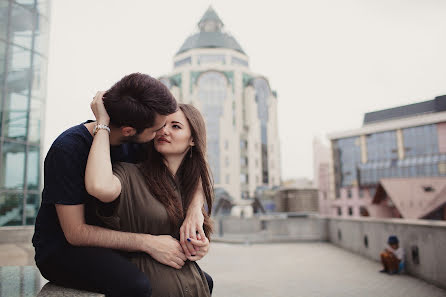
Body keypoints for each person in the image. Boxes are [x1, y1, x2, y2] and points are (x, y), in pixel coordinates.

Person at [32, 73, 213, 297]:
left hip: (115, 242)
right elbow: (76, 233)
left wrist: (195, 211)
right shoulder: (68, 149)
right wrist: (149, 243)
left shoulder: (138, 139)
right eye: (158, 128)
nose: (162, 133)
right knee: (135, 285)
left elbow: (194, 165)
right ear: (129, 130)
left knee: (200, 281)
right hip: (64, 250)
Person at [85, 99, 213, 297]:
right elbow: (99, 186)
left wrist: (197, 246)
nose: (164, 131)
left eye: (175, 126)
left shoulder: (190, 187)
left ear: (193, 139)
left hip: (195, 287)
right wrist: (103, 124)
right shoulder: (129, 173)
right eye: (161, 126)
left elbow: (203, 172)